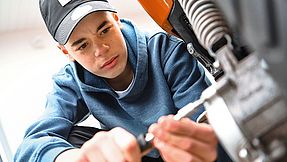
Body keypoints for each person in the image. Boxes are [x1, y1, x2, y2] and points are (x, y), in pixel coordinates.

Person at [14, 0, 232, 161]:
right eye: (82, 45)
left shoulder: (167, 51)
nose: (101, 50)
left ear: (116, 20)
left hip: (187, 155)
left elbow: (207, 128)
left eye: (104, 30)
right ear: (66, 52)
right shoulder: (70, 81)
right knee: (68, 141)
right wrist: (77, 158)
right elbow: (30, 147)